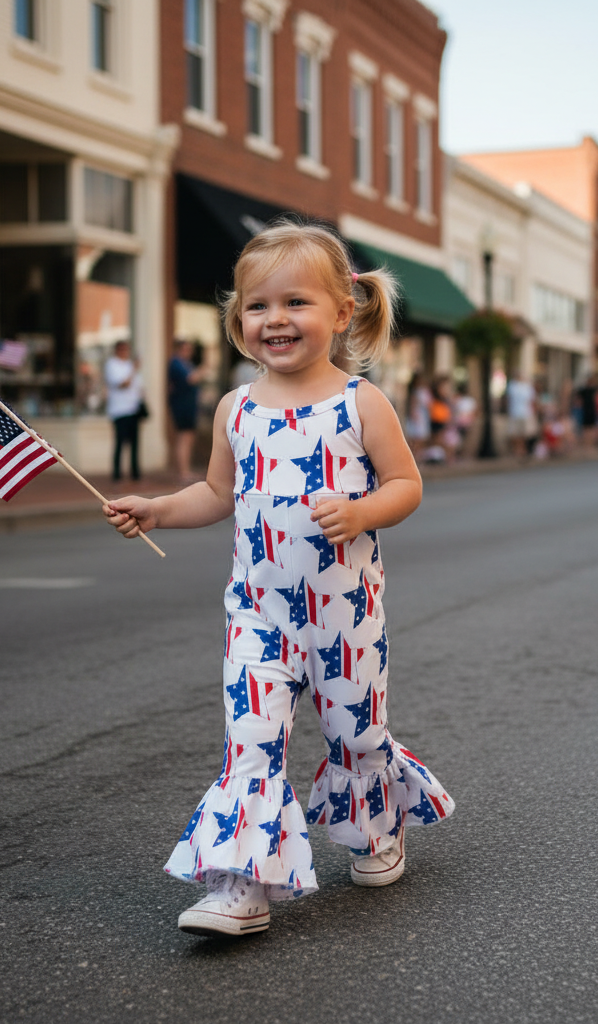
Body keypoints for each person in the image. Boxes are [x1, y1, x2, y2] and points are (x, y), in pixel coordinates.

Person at [104, 221, 453, 938]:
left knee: (355, 736)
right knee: (251, 744)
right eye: (259, 306)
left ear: (341, 312)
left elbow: (406, 484)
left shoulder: (361, 403)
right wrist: (159, 510)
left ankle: (375, 825)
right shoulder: (237, 408)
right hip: (257, 615)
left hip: (345, 617)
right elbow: (215, 492)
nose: (276, 320)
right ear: (238, 320)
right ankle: (243, 883)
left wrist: (359, 511)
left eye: (296, 302)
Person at [104, 339, 144, 482]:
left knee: (134, 443)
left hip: (133, 408)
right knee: (120, 442)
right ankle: (117, 473)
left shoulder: (128, 365)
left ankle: (135, 472)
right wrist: (134, 369)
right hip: (119, 410)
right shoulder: (112, 365)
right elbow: (123, 384)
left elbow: (138, 387)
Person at [168, 339, 203, 481]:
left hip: (188, 405)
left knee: (188, 438)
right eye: (186, 349)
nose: (189, 352)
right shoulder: (176, 363)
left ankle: (185, 470)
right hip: (182, 406)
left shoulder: (186, 363)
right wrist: (204, 369)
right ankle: (184, 472)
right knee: (184, 437)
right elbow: (191, 378)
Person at [505, 371, 536, 459]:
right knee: (515, 433)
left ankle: (523, 450)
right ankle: (517, 450)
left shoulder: (527, 387)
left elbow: (532, 401)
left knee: (525, 433)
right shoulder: (512, 386)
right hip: (514, 413)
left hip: (525, 413)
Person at [403, 371, 431, 459]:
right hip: (417, 416)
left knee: (421, 437)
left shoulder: (423, 391)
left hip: (422, 415)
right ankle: (414, 456)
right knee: (415, 437)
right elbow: (413, 404)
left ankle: (418, 455)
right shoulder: (414, 392)